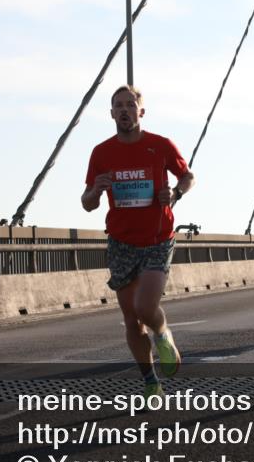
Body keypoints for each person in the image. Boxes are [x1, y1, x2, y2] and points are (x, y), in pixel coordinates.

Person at [82, 85, 195, 400]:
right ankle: (150, 380)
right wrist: (96, 190)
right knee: (131, 319)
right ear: (111, 114)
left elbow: (188, 176)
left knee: (146, 308)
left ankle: (162, 334)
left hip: (158, 238)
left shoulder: (160, 145)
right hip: (121, 241)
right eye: (118, 106)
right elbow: (87, 202)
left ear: (140, 111)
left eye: (130, 105)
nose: (124, 110)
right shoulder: (101, 153)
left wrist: (175, 194)